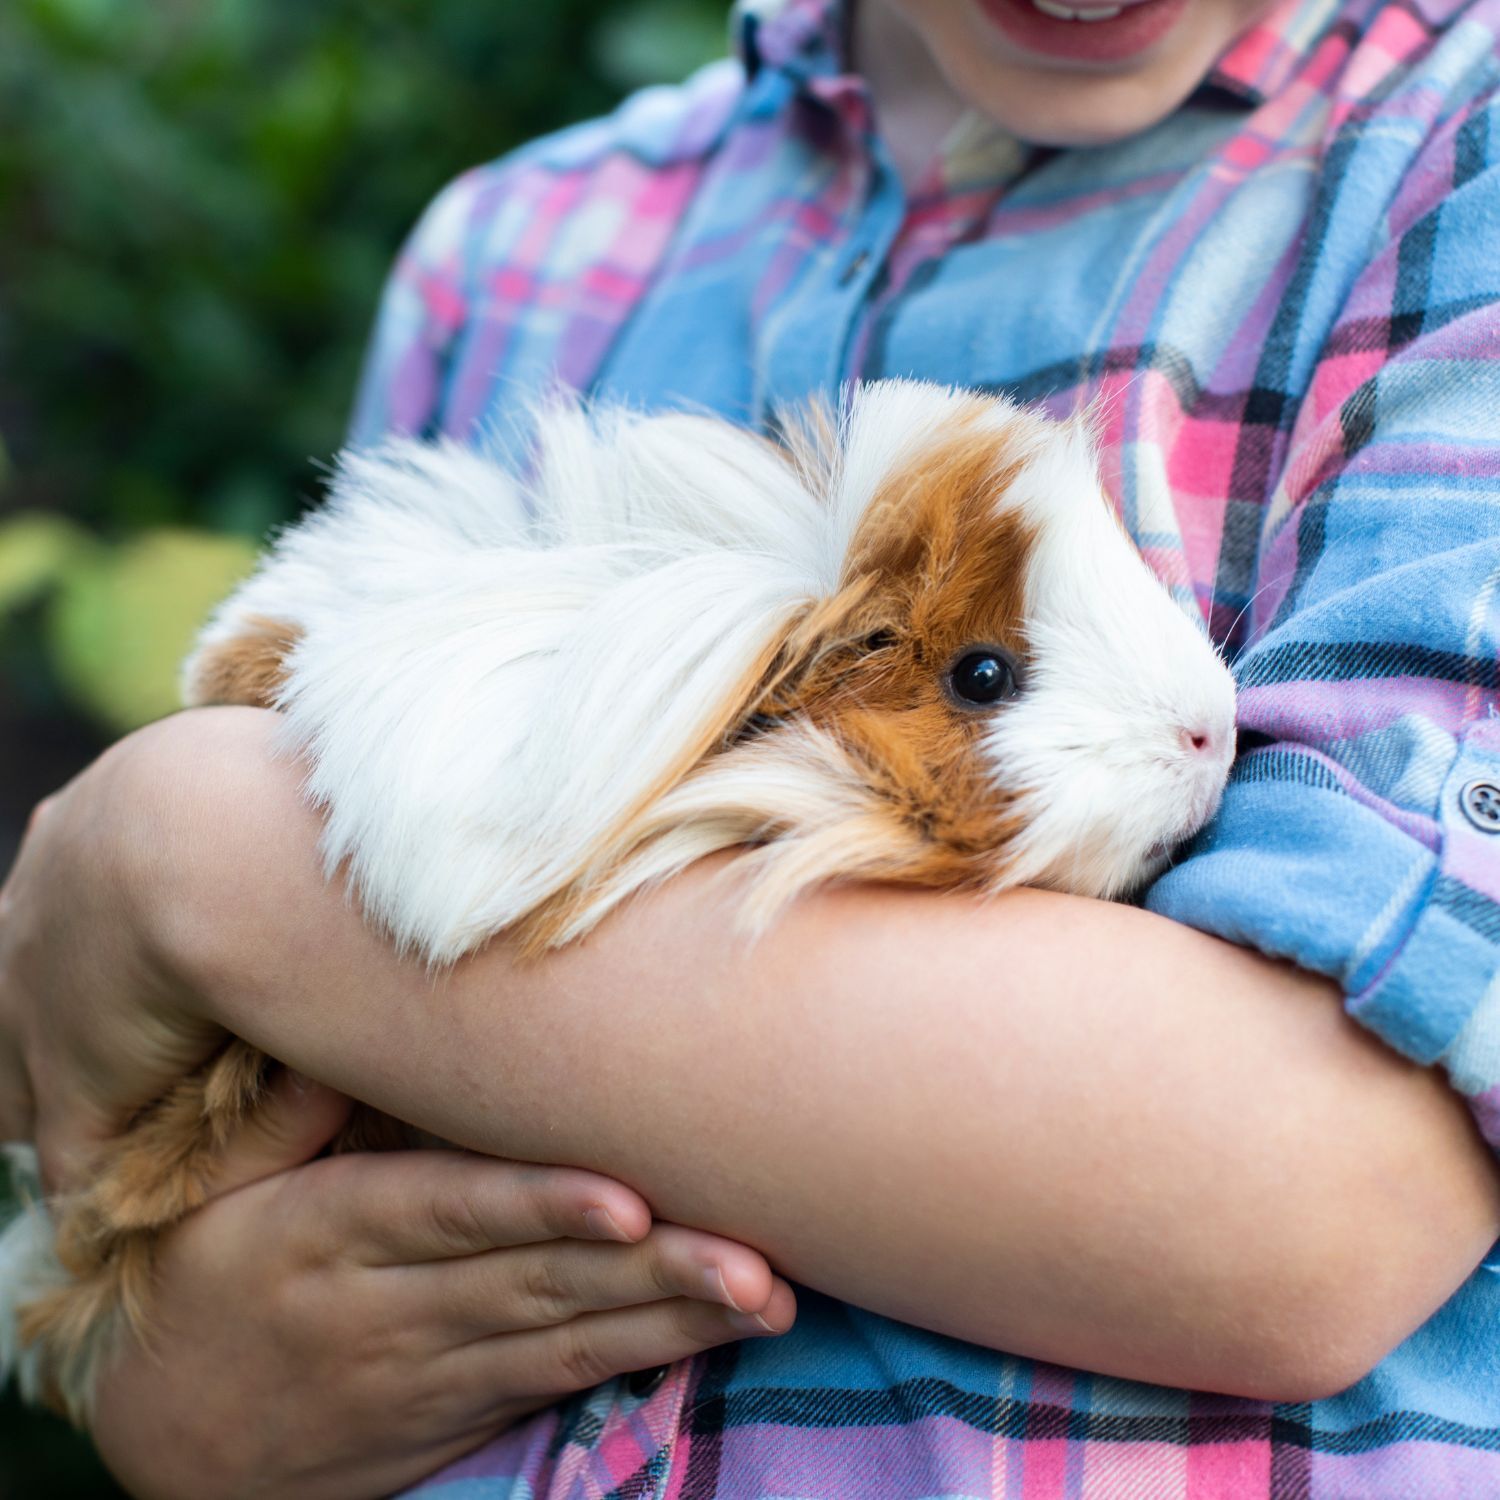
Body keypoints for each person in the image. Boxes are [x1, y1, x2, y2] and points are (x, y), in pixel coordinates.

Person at [5, 0, 1500, 1493]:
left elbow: (1302, 1200)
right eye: (985, 679)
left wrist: (195, 848)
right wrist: (169, 1388)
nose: (1204, 730)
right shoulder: (511, 254)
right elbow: (159, 1223)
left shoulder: (1454, 158)